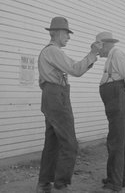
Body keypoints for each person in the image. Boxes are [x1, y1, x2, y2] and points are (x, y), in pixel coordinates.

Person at [36, 17, 100, 193]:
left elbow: (44, 80)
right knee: (70, 143)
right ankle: (60, 184)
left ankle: (44, 184)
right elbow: (76, 69)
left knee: (52, 142)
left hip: (52, 96)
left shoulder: (49, 52)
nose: (68, 37)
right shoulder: (53, 51)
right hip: (57, 97)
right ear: (55, 33)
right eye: (66, 33)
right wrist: (93, 53)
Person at [96, 32, 125, 193]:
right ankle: (120, 178)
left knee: (115, 141)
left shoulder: (118, 55)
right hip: (115, 102)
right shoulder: (111, 58)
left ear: (104, 44)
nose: (98, 51)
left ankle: (114, 183)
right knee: (120, 141)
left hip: (118, 101)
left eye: (98, 47)